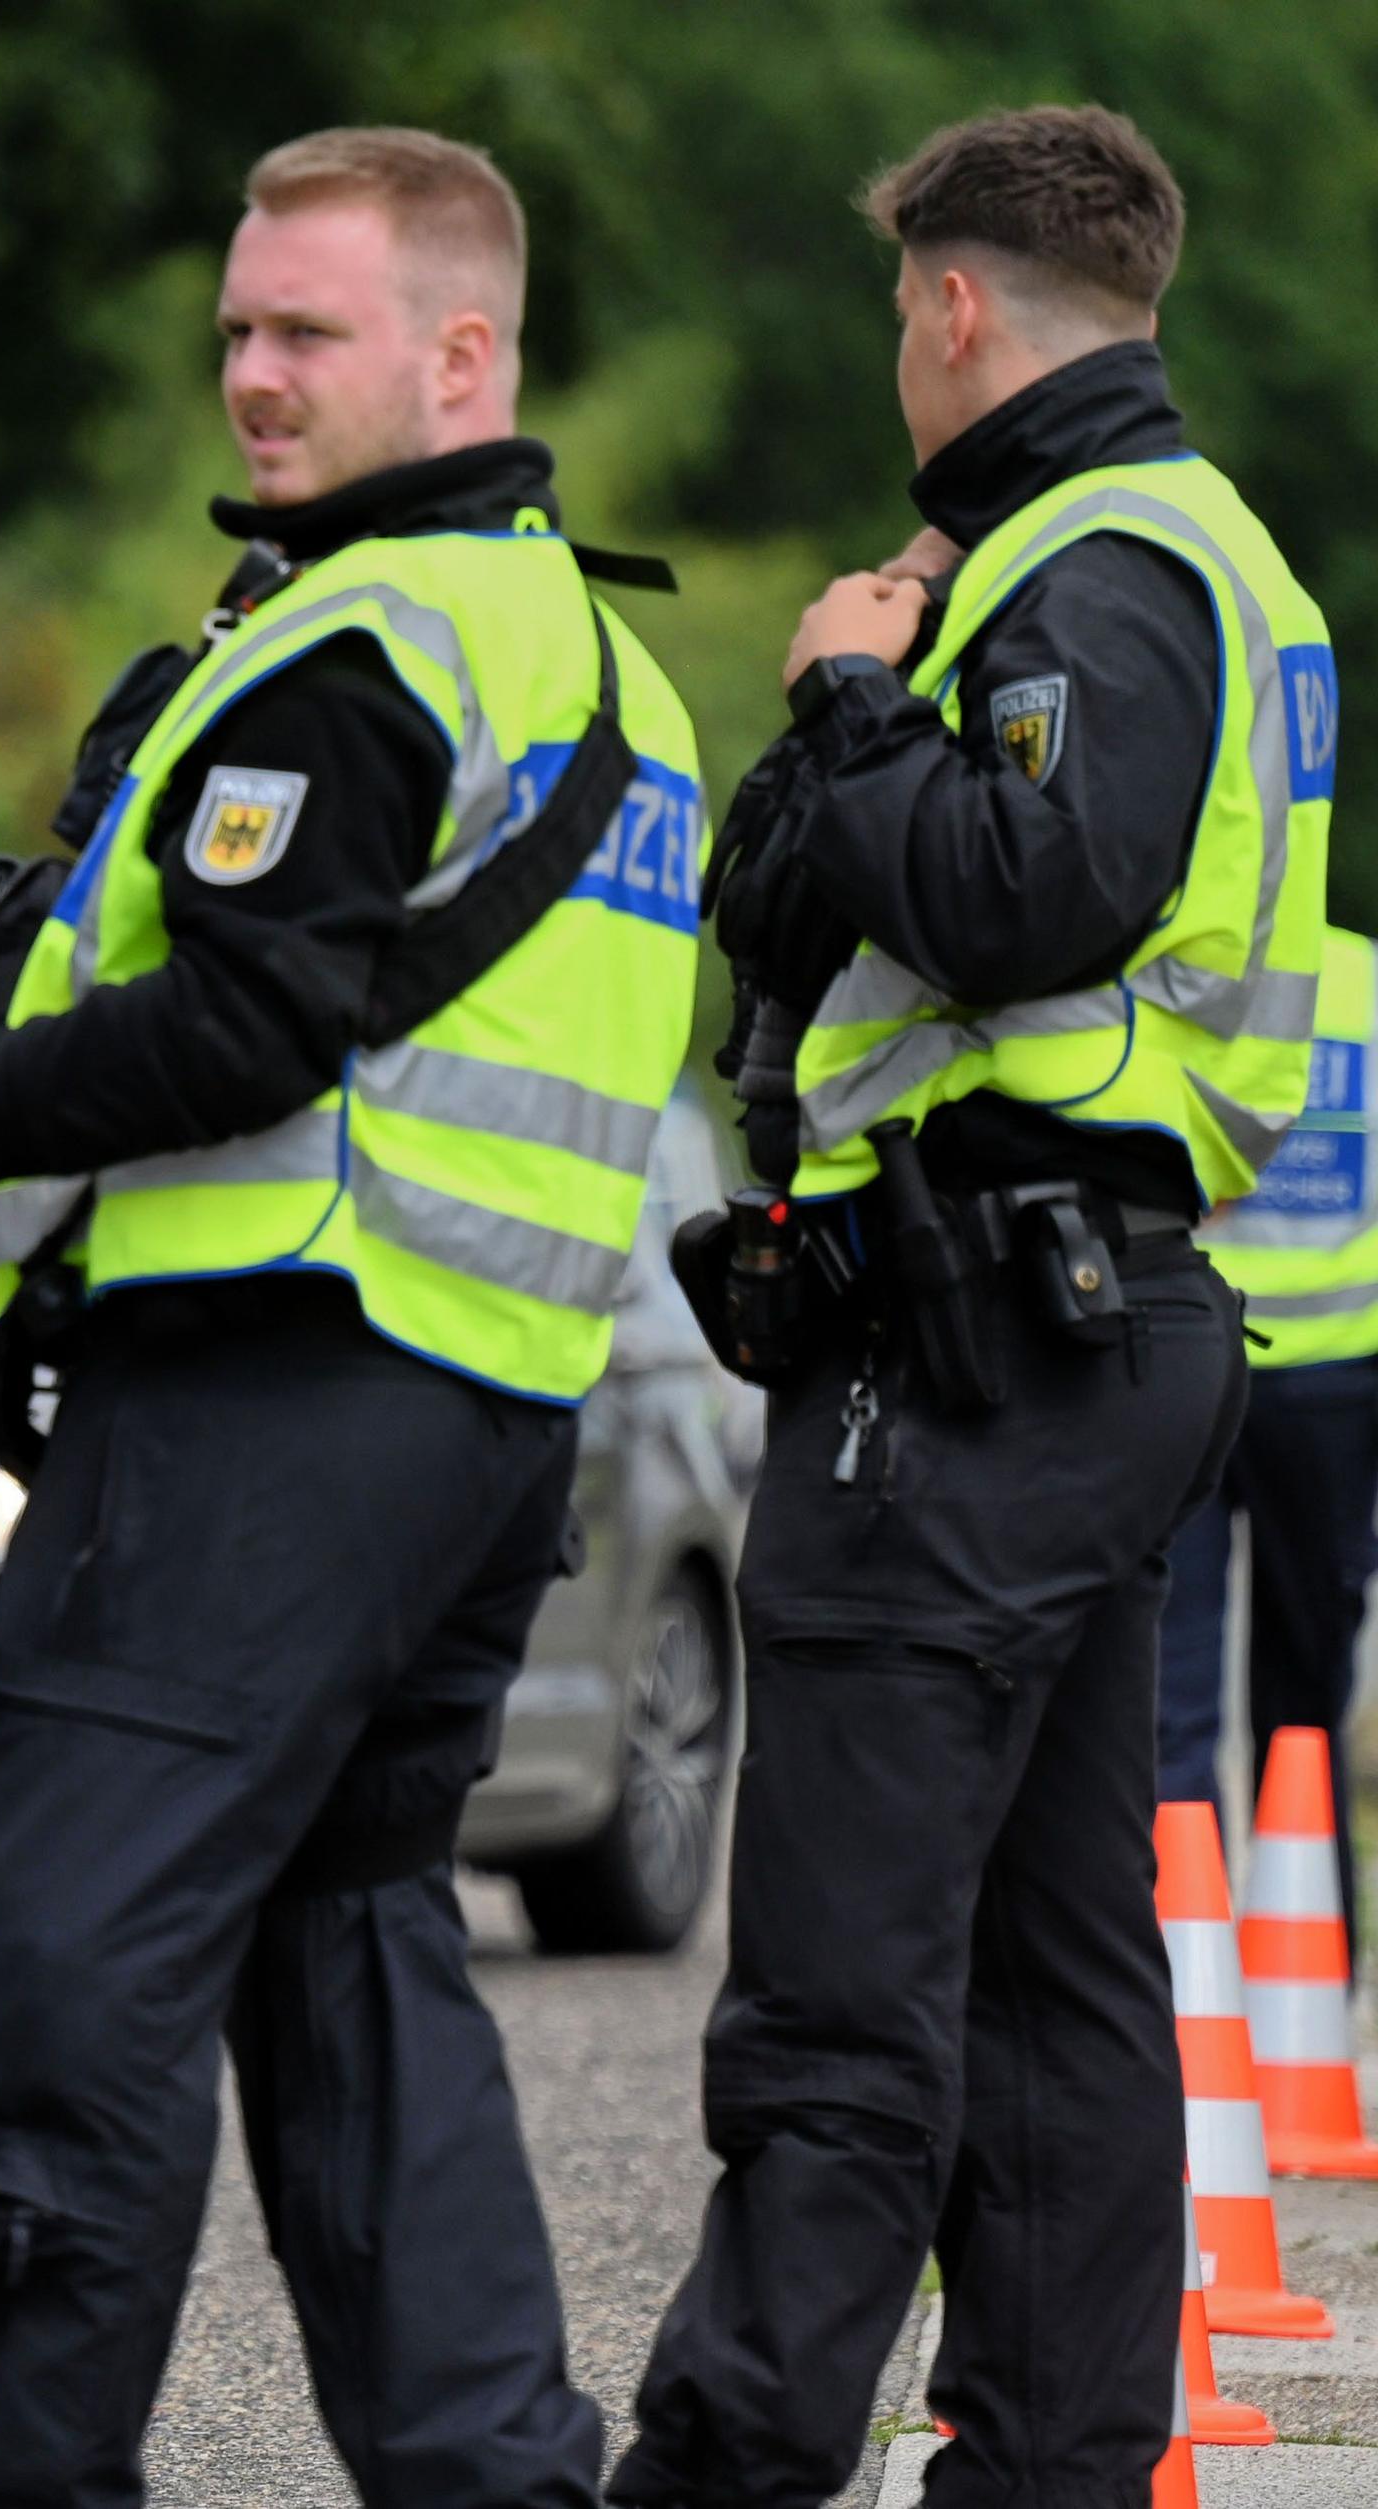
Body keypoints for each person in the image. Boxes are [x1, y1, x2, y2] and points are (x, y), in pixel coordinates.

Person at [0, 128, 705, 2509]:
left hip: (273, 1392)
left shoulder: (363, 647)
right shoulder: (613, 673)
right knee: (348, 1966)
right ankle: (489, 2476)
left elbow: (247, 1025)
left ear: (456, 351)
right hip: (479, 1421)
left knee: (49, 1990)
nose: (251, 380)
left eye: (305, 335)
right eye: (235, 334)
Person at [616, 106, 1327, 2508]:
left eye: (885, 315)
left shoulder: (1098, 574)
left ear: (947, 304)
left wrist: (835, 695)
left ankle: (724, 2464)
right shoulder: (1132, 559)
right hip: (1064, 1330)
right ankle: (1042, 2462)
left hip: (974, 1345)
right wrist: (851, 738)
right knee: (1049, 1976)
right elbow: (774, 898)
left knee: (843, 1976)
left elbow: (1016, 889)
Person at [1160, 921, 1378, 1941]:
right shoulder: (1364, 984)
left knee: (1176, 1704)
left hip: (1197, 1360)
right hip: (1327, 1381)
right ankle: (1305, 1967)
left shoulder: (1190, 966)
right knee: (1302, 1705)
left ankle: (1165, 1978)